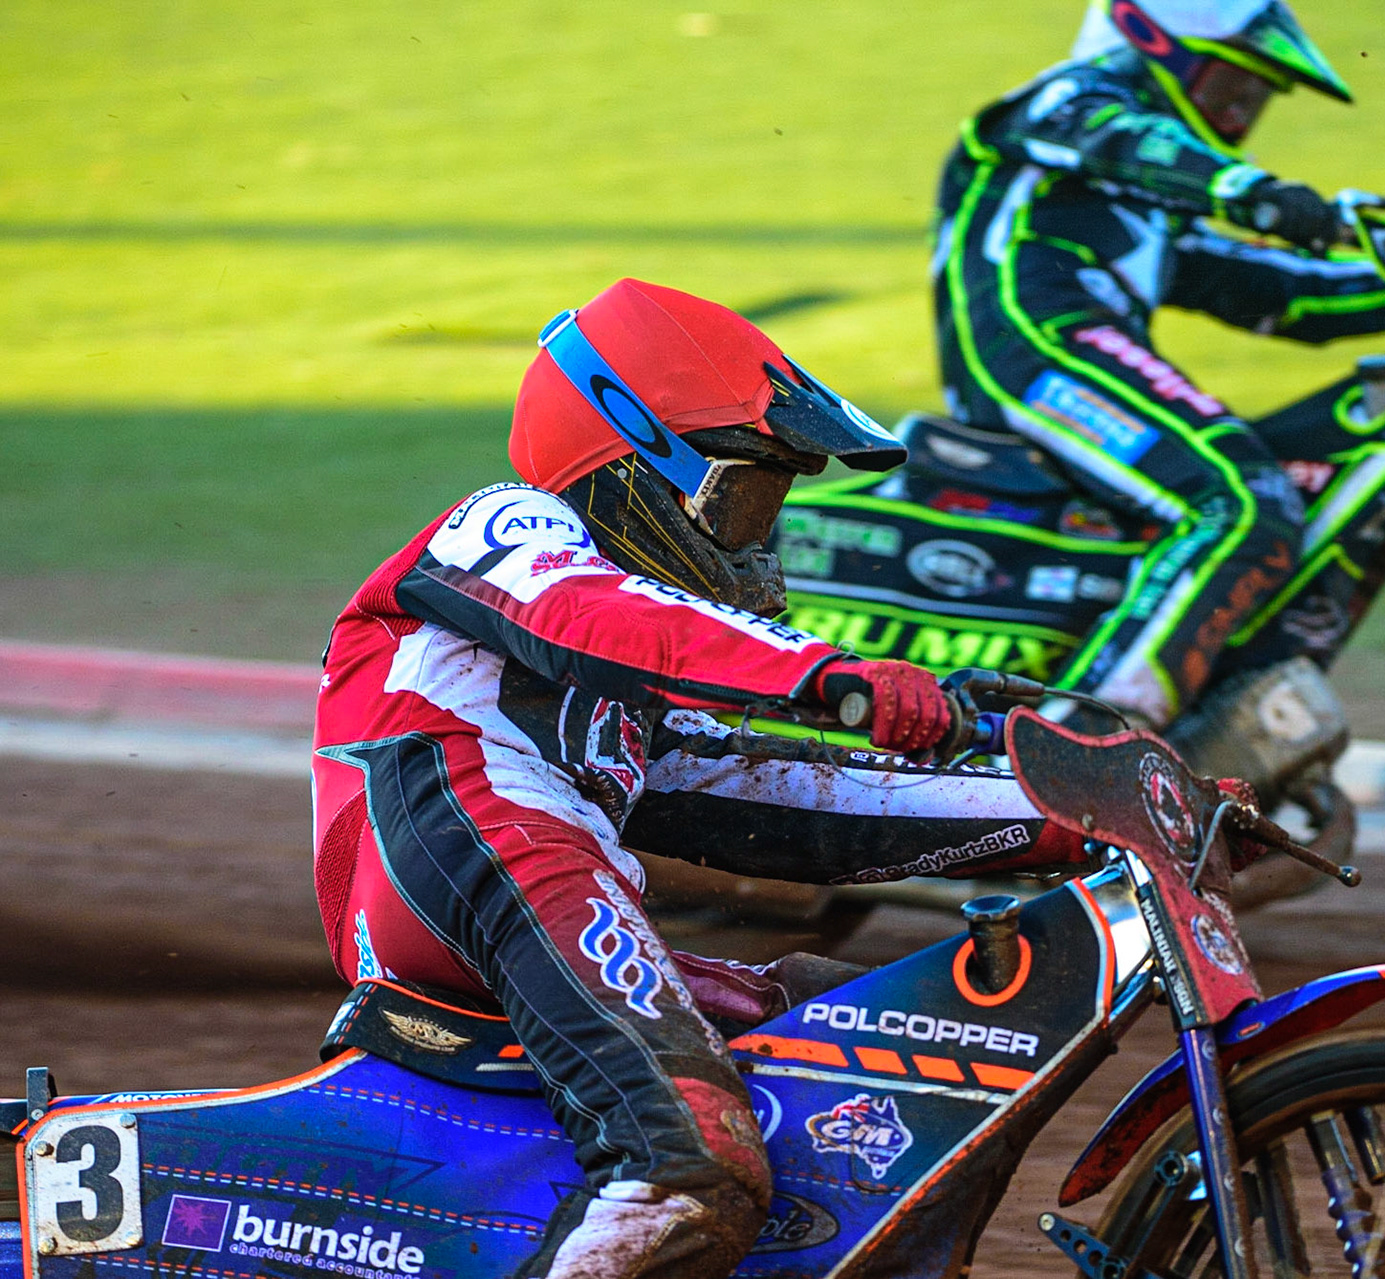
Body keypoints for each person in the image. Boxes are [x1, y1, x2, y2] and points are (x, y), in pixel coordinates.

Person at [309, 279, 1102, 1279]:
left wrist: (1070, 813)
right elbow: (594, 613)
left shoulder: (620, 700)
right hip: (467, 838)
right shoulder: (508, 529)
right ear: (637, 461)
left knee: (868, 1034)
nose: (763, 533)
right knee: (691, 1166)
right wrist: (829, 674)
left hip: (497, 878)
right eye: (750, 491)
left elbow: (791, 798)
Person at [932, 0, 1385, 732]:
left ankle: (1214, 732)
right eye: (1229, 90)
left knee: (1309, 491)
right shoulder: (1065, 103)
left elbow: (1285, 296)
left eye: (1253, 105)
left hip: (1068, 357)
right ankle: (1084, 739)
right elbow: (1126, 140)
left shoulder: (1153, 209)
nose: (1235, 121)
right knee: (1243, 497)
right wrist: (1246, 190)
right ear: (1149, 41)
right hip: (1027, 351)